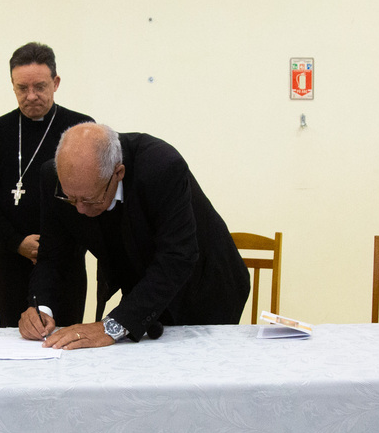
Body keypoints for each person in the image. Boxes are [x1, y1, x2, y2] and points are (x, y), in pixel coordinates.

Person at [19, 122, 250, 349]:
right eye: (70, 199)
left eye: (90, 199)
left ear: (118, 173)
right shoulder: (55, 178)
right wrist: (41, 307)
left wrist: (112, 327)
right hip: (144, 284)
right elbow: (52, 254)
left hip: (206, 286)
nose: (79, 209)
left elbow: (177, 256)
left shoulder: (161, 167)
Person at [0, 42, 94, 327]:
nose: (31, 96)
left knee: (66, 342)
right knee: (16, 345)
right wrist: (17, 242)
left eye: (40, 86)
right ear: (12, 85)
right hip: (12, 261)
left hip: (65, 264)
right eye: (22, 88)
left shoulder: (81, 128)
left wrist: (56, 246)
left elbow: (91, 192)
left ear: (56, 82)